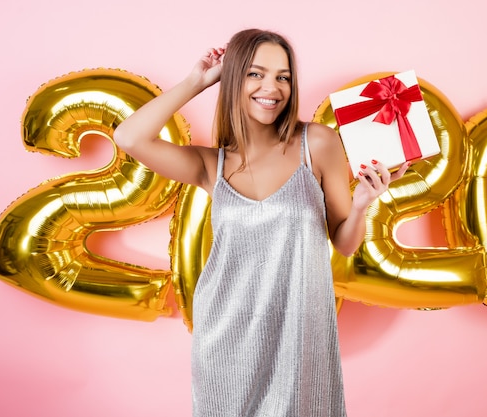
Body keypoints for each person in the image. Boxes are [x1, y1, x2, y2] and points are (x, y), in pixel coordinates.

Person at [114, 28, 410, 417]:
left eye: (282, 76)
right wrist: (196, 81)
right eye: (255, 73)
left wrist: (361, 206)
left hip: (299, 334)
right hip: (225, 336)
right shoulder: (211, 165)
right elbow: (129, 137)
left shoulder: (317, 144)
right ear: (233, 78)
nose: (272, 87)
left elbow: (345, 243)